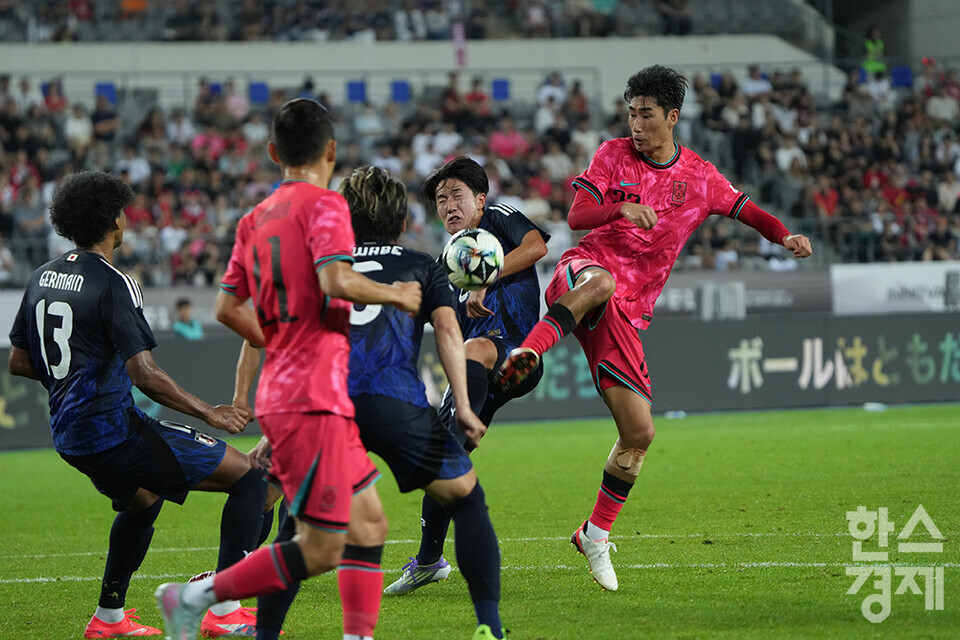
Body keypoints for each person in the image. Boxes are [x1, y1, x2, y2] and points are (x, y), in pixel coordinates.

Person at [495, 65, 813, 591]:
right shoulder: (612, 154)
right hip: (583, 273)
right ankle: (528, 353)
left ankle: (594, 534)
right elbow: (576, 216)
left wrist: (785, 238)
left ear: (671, 117)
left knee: (639, 435)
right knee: (598, 285)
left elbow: (748, 211)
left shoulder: (700, 177)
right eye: (631, 113)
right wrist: (623, 206)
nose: (635, 124)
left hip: (625, 312)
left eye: (646, 114)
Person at [154, 98, 421, 640]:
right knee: (322, 548)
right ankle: (196, 597)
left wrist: (281, 340)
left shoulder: (255, 218)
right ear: (331, 151)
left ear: (274, 152)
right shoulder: (327, 207)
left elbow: (227, 308)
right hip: (312, 393)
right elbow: (336, 282)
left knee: (368, 525)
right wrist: (396, 293)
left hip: (296, 389)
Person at [238, 165, 506, 639]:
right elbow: (447, 331)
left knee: (297, 529)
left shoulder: (322, 268)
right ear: (402, 222)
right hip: (395, 404)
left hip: (326, 408)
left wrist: (277, 426)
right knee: (467, 500)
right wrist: (463, 405)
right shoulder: (423, 264)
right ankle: (489, 626)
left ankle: (265, 635)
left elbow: (289, 343)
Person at [7, 170, 268, 639]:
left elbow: (21, 362)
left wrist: (73, 382)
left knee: (144, 501)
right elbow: (144, 373)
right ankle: (224, 609)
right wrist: (211, 412)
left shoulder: (41, 276)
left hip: (69, 436)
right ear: (113, 220)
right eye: (123, 212)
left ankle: (109, 618)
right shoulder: (113, 282)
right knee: (251, 478)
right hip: (113, 429)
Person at [384, 155, 549, 595]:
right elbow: (433, 318)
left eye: (457, 194)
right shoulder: (446, 260)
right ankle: (428, 560)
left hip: (511, 348)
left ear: (479, 198)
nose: (449, 204)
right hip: (477, 371)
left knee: (474, 352)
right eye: (441, 199)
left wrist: (485, 280)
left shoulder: (497, 219)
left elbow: (536, 247)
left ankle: (503, 380)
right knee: (446, 453)